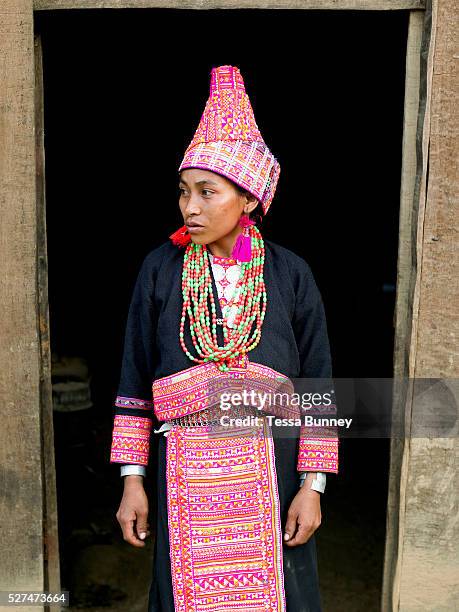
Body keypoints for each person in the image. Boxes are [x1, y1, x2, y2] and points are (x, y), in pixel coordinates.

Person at [110, 65, 339, 612]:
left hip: (275, 472)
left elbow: (319, 386)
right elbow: (134, 380)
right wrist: (132, 481)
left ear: (251, 200)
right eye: (184, 191)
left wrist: (313, 487)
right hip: (182, 473)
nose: (190, 207)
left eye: (207, 192)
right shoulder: (160, 270)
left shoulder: (290, 275)